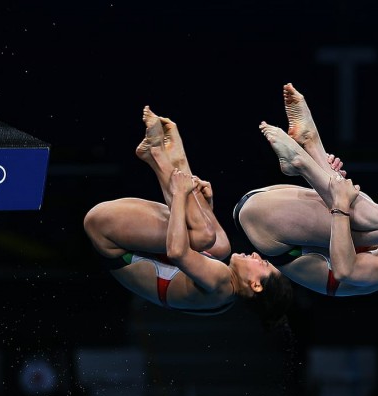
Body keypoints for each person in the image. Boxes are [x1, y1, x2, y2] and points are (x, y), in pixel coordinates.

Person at [233, 83, 378, 298]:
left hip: (269, 228)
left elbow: (344, 270)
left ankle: (304, 158)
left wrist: (339, 203)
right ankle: (310, 150)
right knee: (362, 207)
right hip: (264, 211)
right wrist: (333, 177)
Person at [83, 106, 293, 329]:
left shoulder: (221, 281)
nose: (257, 255)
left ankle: (158, 154)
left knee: (204, 235)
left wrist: (180, 195)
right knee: (219, 244)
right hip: (119, 240)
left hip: (108, 235)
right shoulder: (224, 293)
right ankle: (164, 154)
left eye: (263, 263)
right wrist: (204, 205)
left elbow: (176, 252)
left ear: (255, 285)